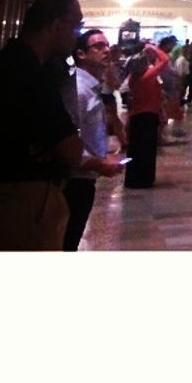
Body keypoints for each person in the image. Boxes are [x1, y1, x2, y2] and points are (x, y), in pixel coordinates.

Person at [0, 0, 85, 251]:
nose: (78, 33)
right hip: (22, 200)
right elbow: (70, 151)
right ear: (57, 25)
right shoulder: (30, 74)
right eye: (77, 25)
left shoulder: (8, 61)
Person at [64, 27, 129, 249]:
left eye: (107, 45)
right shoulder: (78, 90)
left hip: (85, 177)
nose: (106, 50)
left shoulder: (91, 86)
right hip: (73, 180)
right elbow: (66, 139)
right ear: (81, 54)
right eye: (98, 46)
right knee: (67, 240)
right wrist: (98, 163)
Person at [125, 37, 174, 183]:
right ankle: (145, 178)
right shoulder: (148, 76)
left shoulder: (133, 78)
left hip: (136, 115)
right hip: (148, 115)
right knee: (147, 149)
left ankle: (134, 178)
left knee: (136, 149)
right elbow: (164, 60)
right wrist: (153, 47)